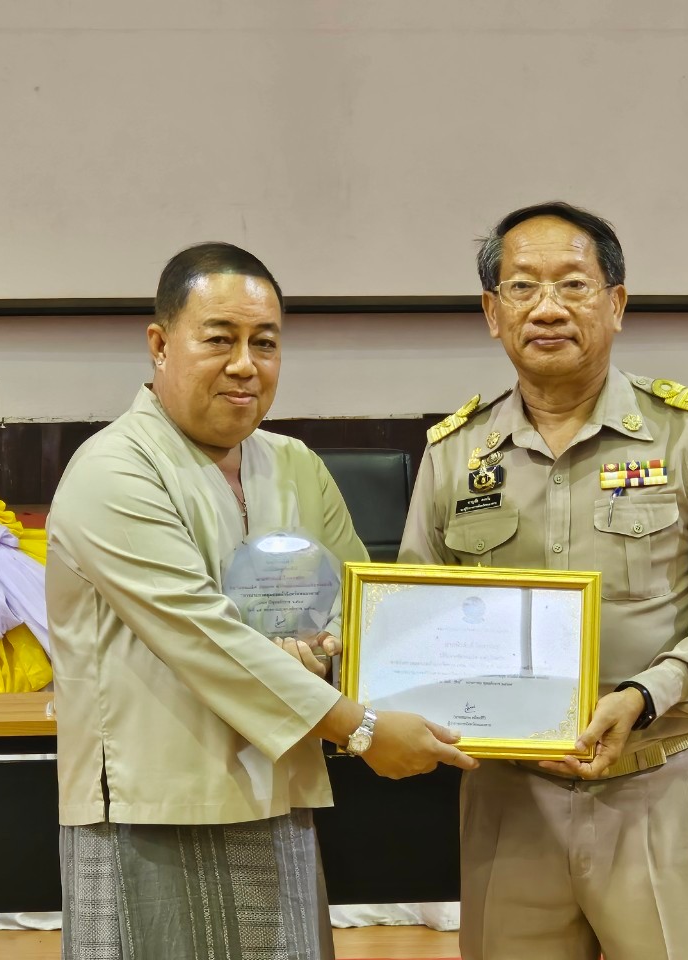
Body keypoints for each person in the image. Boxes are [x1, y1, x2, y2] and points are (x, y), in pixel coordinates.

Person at [46, 242, 477, 960]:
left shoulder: (295, 464)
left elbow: (363, 604)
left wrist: (341, 650)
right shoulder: (113, 471)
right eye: (220, 339)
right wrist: (362, 729)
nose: (245, 363)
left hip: (280, 794)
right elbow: (203, 637)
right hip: (156, 806)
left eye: (265, 342)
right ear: (159, 344)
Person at [399, 202, 688, 960]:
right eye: (521, 288)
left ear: (617, 303)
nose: (546, 308)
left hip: (661, 780)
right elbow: (414, 619)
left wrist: (644, 696)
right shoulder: (454, 453)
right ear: (491, 312)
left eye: (572, 285)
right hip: (513, 798)